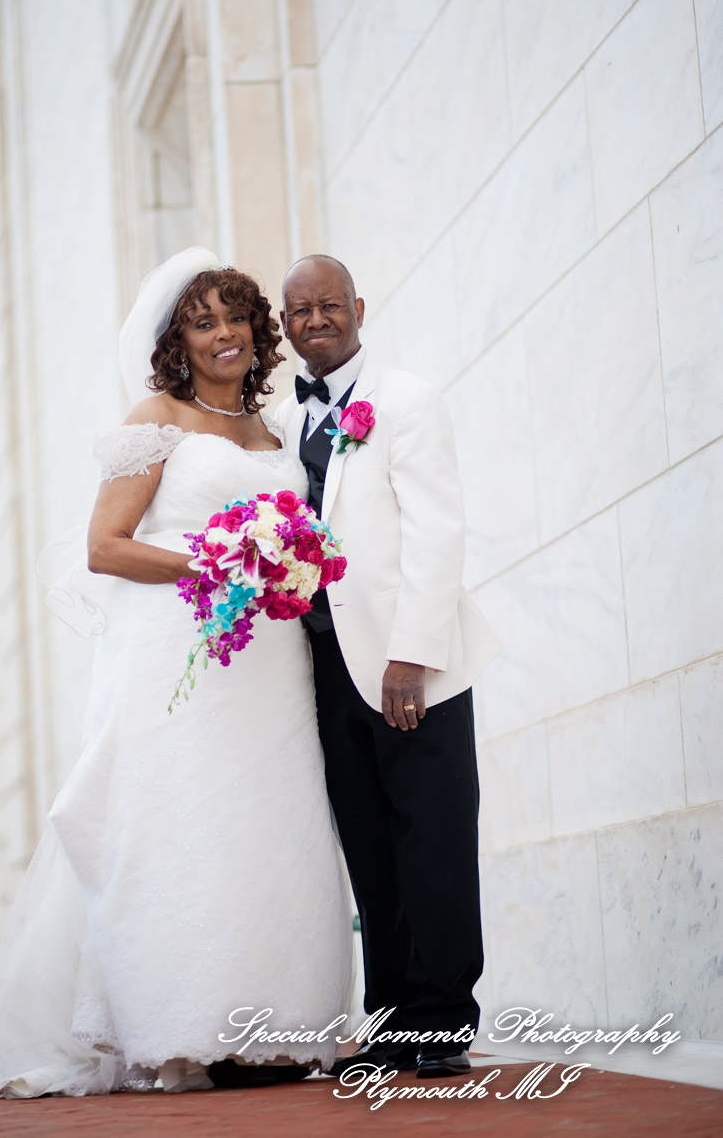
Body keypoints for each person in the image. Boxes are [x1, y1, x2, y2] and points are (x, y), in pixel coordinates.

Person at [0, 247, 353, 1098]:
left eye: (235, 317)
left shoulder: (275, 431)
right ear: (178, 341)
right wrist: (216, 561)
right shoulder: (157, 420)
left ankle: (281, 1029)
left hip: (269, 666)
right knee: (187, 827)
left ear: (257, 329)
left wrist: (287, 562)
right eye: (202, 323)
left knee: (272, 827)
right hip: (180, 656)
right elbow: (105, 547)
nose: (224, 334)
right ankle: (193, 1026)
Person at [276, 254, 501, 1080]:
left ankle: (443, 1021)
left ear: (358, 309)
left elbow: (438, 530)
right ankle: (397, 1020)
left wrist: (411, 656)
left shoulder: (407, 400)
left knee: (433, 839)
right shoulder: (284, 423)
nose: (316, 321)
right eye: (300, 311)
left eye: (330, 305)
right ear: (286, 325)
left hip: (409, 663)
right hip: (325, 666)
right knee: (370, 849)